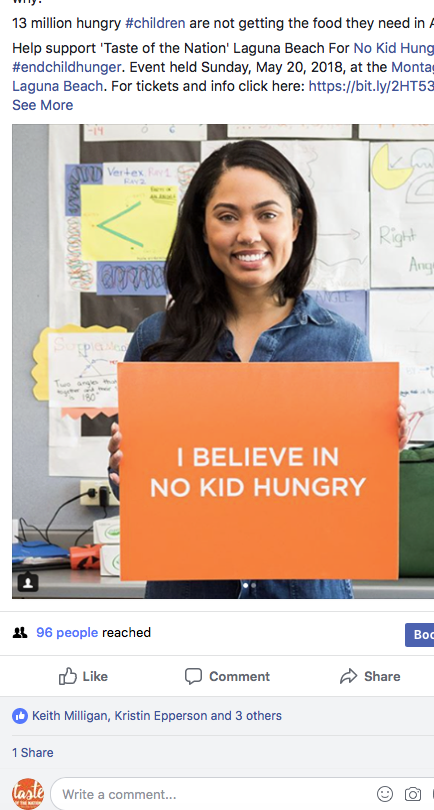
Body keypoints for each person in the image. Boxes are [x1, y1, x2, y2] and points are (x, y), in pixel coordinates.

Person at [108, 140, 409, 599]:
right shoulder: (158, 339)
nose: (248, 233)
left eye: (267, 214)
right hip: (191, 602)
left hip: (304, 604)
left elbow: (347, 498)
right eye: (227, 216)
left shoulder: (340, 343)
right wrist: (124, 473)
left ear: (295, 222)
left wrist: (383, 452)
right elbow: (143, 498)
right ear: (202, 228)